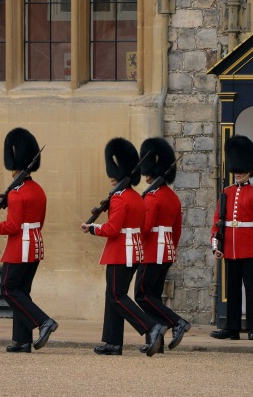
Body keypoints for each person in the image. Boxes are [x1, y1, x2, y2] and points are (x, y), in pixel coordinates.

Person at [80, 137, 167, 357]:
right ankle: (113, 342)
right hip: (134, 251)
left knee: (117, 296)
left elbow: (112, 229)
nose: (110, 177)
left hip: (120, 253)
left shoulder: (119, 198)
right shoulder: (136, 197)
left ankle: (150, 326)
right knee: (114, 295)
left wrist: (91, 228)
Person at [0, 128, 57, 353]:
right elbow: (40, 221)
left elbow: (12, 226)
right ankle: (22, 340)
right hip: (35, 244)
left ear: (13, 165)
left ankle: (43, 321)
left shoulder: (16, 193)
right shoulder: (38, 190)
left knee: (8, 289)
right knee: (22, 291)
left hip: (19, 246)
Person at [210, 134, 253, 341]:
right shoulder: (226, 192)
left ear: (249, 170)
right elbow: (218, 221)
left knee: (250, 290)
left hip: (248, 248)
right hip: (230, 247)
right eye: (236, 170)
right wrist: (216, 245)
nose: (238, 173)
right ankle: (232, 328)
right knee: (232, 290)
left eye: (241, 170)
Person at [135, 137, 191, 353]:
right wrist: (170, 249)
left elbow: (145, 227)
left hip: (151, 251)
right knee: (154, 296)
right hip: (166, 250)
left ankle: (176, 322)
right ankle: (155, 342)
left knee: (141, 293)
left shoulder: (152, 198)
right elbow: (177, 230)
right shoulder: (172, 197)